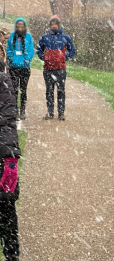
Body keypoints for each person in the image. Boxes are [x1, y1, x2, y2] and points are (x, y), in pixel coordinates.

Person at [0, 67, 22, 261]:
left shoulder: (2, 82)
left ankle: (11, 254)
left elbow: (7, 122)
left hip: (1, 154)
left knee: (5, 205)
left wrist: (10, 160)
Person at [36, 15, 76, 121]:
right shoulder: (44, 38)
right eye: (52, 24)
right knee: (49, 91)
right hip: (48, 69)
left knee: (61, 91)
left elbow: (72, 50)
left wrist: (64, 57)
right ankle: (50, 112)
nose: (53, 26)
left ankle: (61, 112)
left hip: (60, 69)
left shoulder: (65, 38)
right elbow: (39, 50)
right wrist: (43, 57)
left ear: (59, 25)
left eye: (55, 24)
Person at [6, 18, 35, 121]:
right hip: (14, 67)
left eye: (21, 25)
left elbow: (31, 49)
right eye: (18, 25)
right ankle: (15, 111)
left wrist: (27, 59)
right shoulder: (12, 37)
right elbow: (8, 48)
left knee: (23, 90)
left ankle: (22, 110)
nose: (20, 27)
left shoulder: (28, 36)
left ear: (24, 26)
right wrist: (10, 58)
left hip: (24, 68)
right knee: (14, 90)